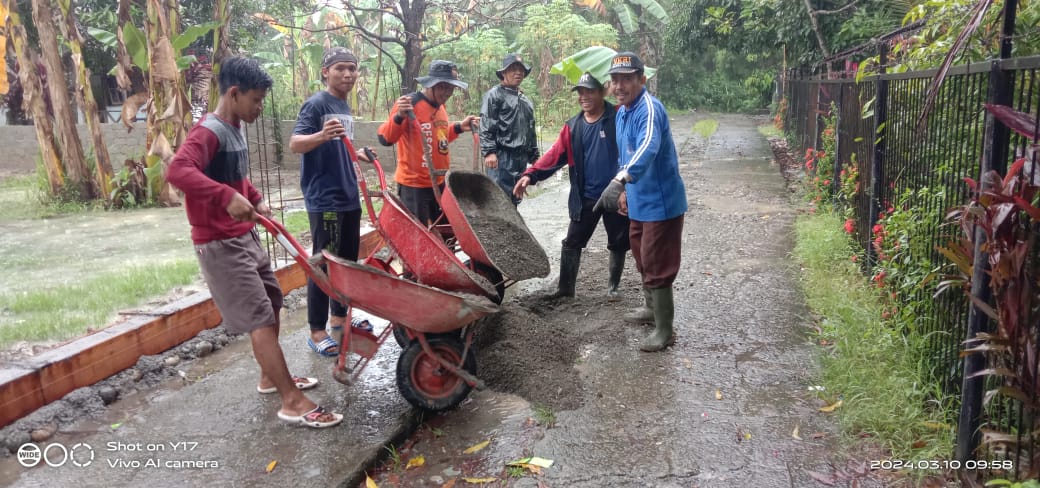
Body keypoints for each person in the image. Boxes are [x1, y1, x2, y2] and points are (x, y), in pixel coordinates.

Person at [167, 56, 342, 428]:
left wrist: (254, 197)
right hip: (219, 243)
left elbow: (233, 176)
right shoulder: (208, 131)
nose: (260, 108)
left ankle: (269, 376)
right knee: (259, 317)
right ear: (234, 93)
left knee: (274, 300)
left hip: (242, 236)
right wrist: (225, 197)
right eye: (256, 100)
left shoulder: (234, 127)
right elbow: (178, 170)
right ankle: (291, 401)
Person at [594, 52, 688, 353]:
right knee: (641, 255)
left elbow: (647, 148)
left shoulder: (649, 109)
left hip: (661, 204)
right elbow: (626, 156)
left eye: (627, 79)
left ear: (641, 80)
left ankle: (665, 330)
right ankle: (651, 309)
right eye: (615, 80)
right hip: (638, 201)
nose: (619, 86)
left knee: (657, 261)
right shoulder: (622, 112)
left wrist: (620, 181)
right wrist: (625, 192)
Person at [513, 72, 629, 299]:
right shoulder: (573, 126)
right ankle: (565, 289)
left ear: (602, 92)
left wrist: (627, 186)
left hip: (616, 194)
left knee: (618, 242)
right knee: (572, 242)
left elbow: (632, 150)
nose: (584, 97)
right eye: (581, 92)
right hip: (585, 195)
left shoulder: (618, 117)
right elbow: (555, 155)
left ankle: (613, 287)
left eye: (590, 91)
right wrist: (531, 175)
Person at [289, 47, 371, 357]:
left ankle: (339, 317)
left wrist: (356, 154)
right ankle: (316, 330)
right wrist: (321, 135)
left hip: (348, 194)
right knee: (323, 262)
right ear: (326, 72)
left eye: (352, 68)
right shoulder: (316, 104)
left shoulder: (343, 106)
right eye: (340, 68)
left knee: (346, 262)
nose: (348, 74)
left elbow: (339, 146)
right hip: (325, 199)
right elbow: (296, 143)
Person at [377, 60, 479, 225]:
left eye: (451, 88)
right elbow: (385, 139)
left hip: (439, 181)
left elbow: (441, 138)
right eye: (443, 87)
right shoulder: (410, 104)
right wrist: (399, 117)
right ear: (431, 84)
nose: (447, 92)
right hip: (414, 185)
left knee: (447, 230)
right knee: (420, 236)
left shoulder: (441, 108)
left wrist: (460, 127)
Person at [479, 53, 538, 206]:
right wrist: (489, 151)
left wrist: (534, 155)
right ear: (504, 72)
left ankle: (511, 228)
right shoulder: (494, 95)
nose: (518, 72)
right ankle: (496, 230)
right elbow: (486, 123)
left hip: (521, 159)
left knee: (515, 197)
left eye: (521, 69)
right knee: (498, 200)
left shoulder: (525, 101)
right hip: (502, 157)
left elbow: (530, 130)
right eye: (513, 69)